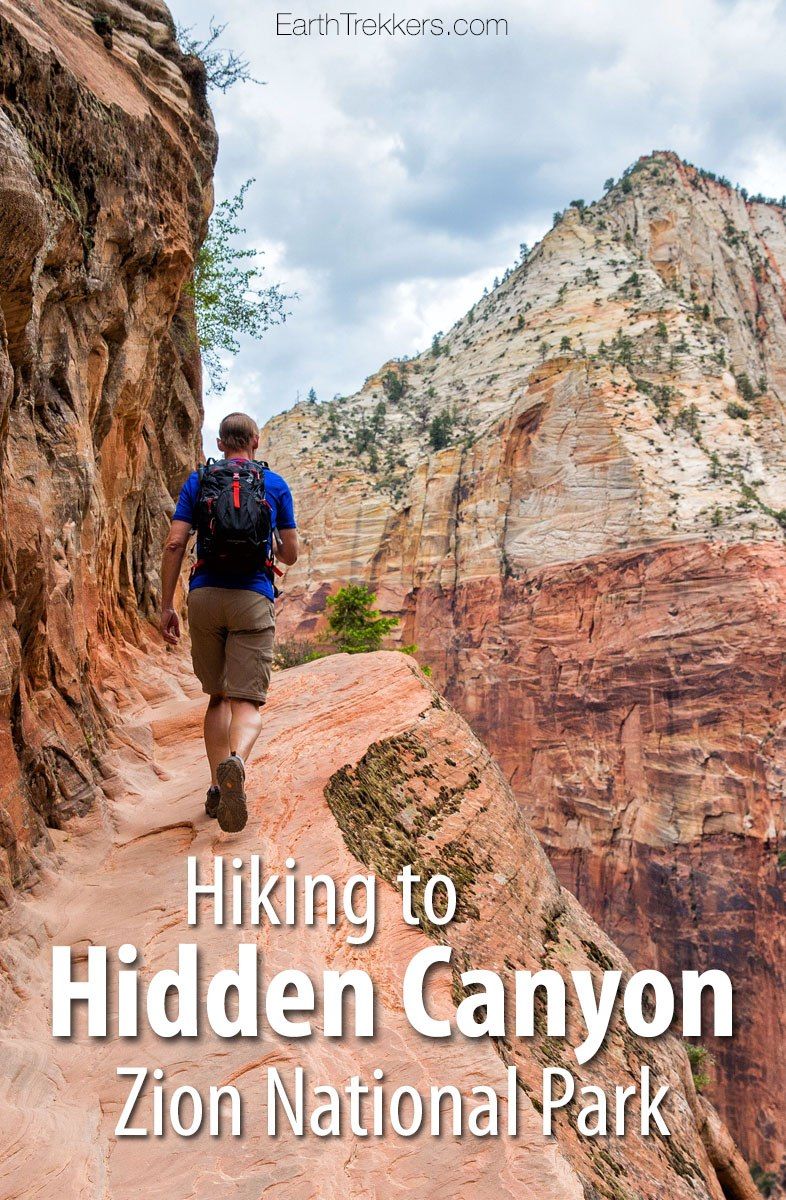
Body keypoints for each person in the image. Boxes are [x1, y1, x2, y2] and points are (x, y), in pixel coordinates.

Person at [159, 412, 298, 832]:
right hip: (252, 597)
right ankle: (237, 760)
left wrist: (167, 604)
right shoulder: (274, 485)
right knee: (247, 702)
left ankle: (217, 786)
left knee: (217, 696)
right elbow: (290, 554)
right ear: (255, 441)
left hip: (204, 597)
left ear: (220, 444)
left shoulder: (199, 481)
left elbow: (174, 543)